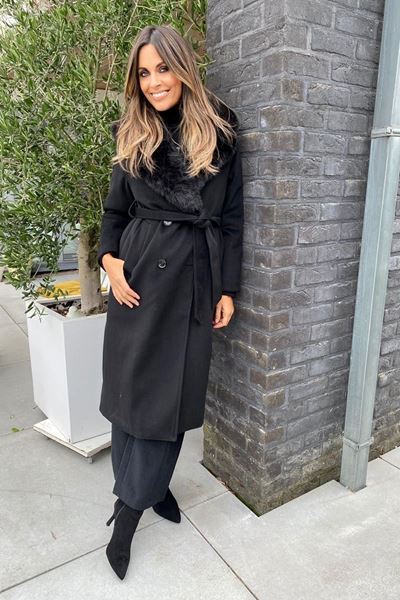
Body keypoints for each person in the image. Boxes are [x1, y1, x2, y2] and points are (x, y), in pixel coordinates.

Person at [97, 23, 244, 580]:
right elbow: (114, 213)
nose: (154, 81)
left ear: (183, 68)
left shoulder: (221, 131)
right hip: (136, 275)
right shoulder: (132, 131)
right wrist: (109, 263)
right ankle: (146, 489)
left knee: (171, 398)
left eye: (163, 68)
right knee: (132, 393)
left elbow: (232, 218)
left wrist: (228, 287)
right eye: (144, 72)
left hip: (193, 275)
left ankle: (129, 513)